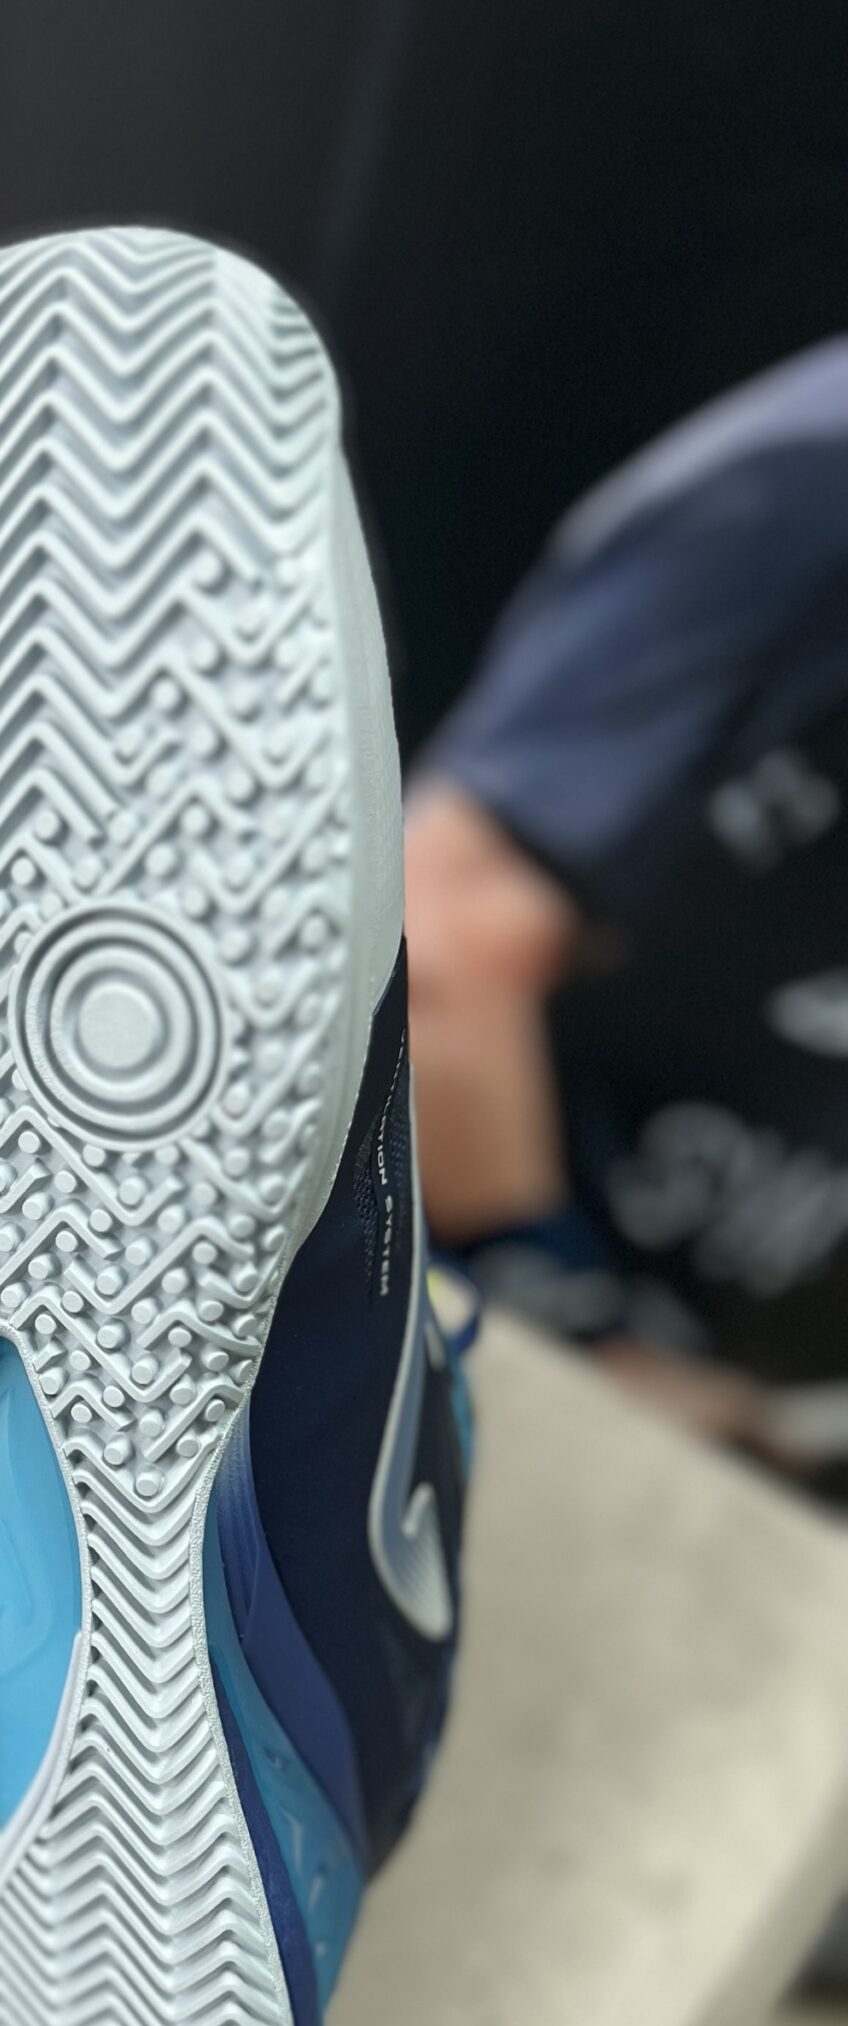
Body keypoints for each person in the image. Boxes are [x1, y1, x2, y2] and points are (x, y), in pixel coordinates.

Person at [403, 342, 848, 1491]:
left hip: (728, 1404)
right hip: (404, 1336)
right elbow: (441, 940)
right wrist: (581, 1336)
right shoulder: (806, 495)